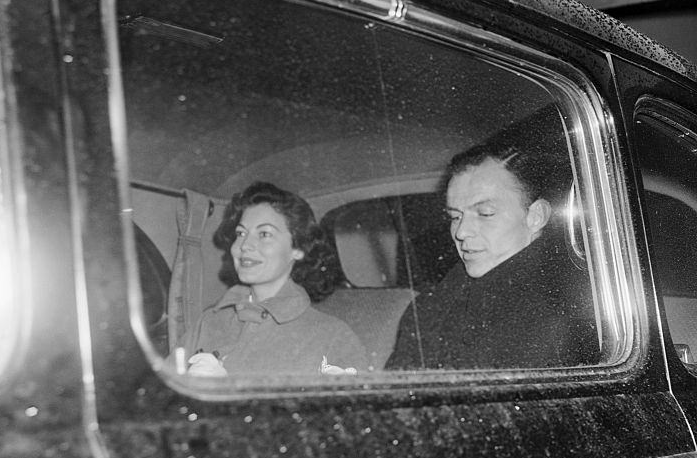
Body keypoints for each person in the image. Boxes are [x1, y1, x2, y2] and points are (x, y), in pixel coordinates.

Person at [386, 138, 599, 370]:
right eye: (455, 216)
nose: (461, 231)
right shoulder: (435, 302)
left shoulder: (564, 314)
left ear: (535, 216)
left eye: (485, 213)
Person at [172, 181, 367, 377]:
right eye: (240, 233)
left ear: (298, 249)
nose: (245, 244)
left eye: (264, 234)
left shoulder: (332, 336)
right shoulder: (209, 321)